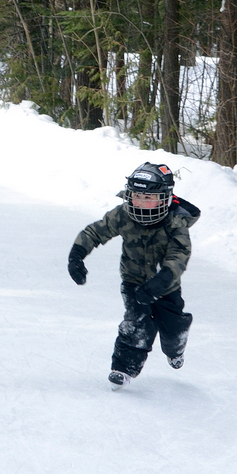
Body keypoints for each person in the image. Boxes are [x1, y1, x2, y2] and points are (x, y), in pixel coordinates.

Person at [67, 162, 200, 389]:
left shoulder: (175, 223)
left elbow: (179, 254)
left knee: (173, 327)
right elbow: (95, 231)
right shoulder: (123, 215)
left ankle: (175, 349)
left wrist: (164, 279)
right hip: (133, 282)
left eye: (148, 198)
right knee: (136, 323)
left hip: (166, 286)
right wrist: (77, 255)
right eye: (137, 196)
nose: (140, 202)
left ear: (164, 199)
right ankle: (123, 368)